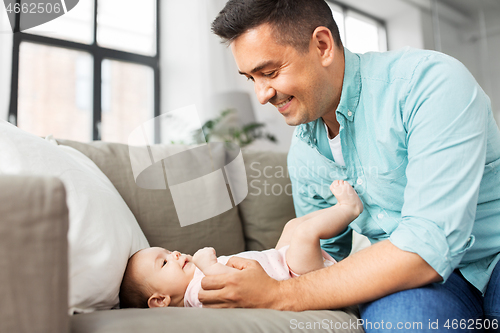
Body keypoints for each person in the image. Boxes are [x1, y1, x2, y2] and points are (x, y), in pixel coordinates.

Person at [200, 0, 500, 331]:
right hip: (422, 283)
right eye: (251, 78)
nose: (261, 94)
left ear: (322, 46)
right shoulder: (304, 153)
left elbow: (428, 245)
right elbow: (327, 262)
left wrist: (278, 294)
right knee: (403, 323)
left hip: (494, 254)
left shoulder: (428, 83)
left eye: (269, 72)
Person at [119, 180, 363, 308]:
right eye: (163, 262)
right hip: (294, 279)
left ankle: (335, 209)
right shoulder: (196, 295)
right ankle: (349, 209)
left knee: (291, 226)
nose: (174, 255)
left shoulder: (196, 282)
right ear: (160, 300)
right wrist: (209, 264)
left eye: (168, 252)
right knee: (304, 234)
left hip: (281, 264)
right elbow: (232, 282)